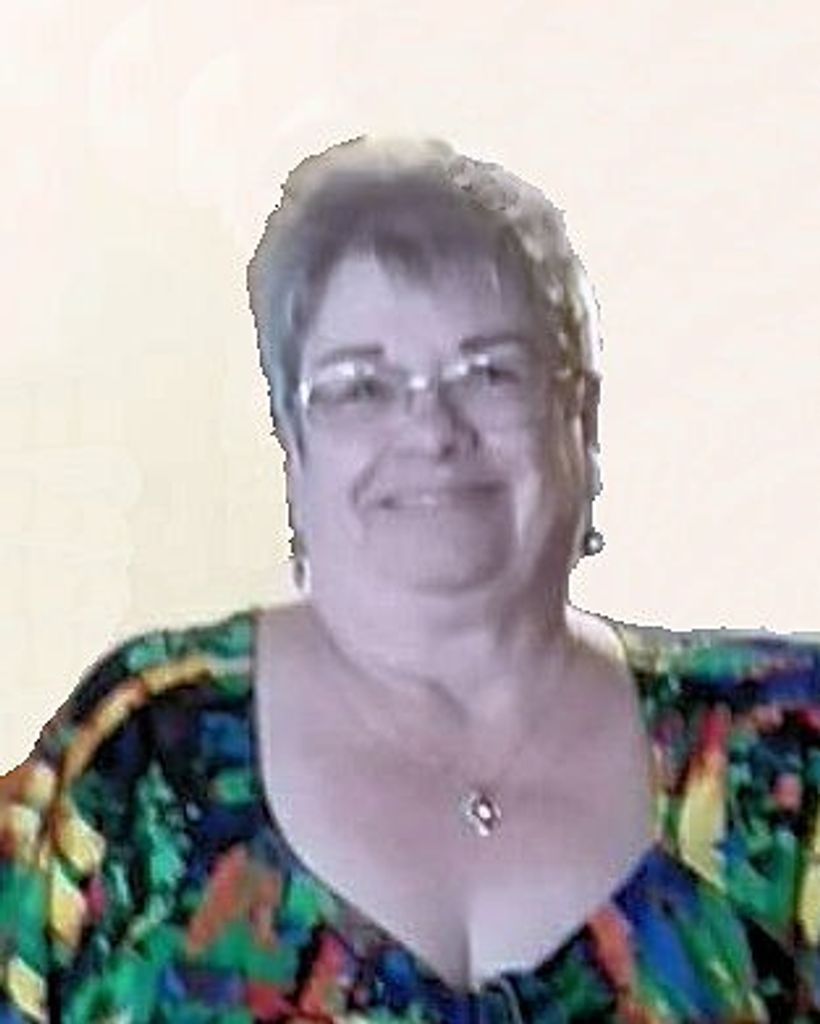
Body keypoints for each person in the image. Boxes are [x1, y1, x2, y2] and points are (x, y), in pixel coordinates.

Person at [1, 134, 819, 1023]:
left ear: (578, 418)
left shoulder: (785, 753)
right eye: (361, 387)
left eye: (491, 373)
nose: (432, 431)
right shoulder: (143, 755)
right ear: (292, 443)